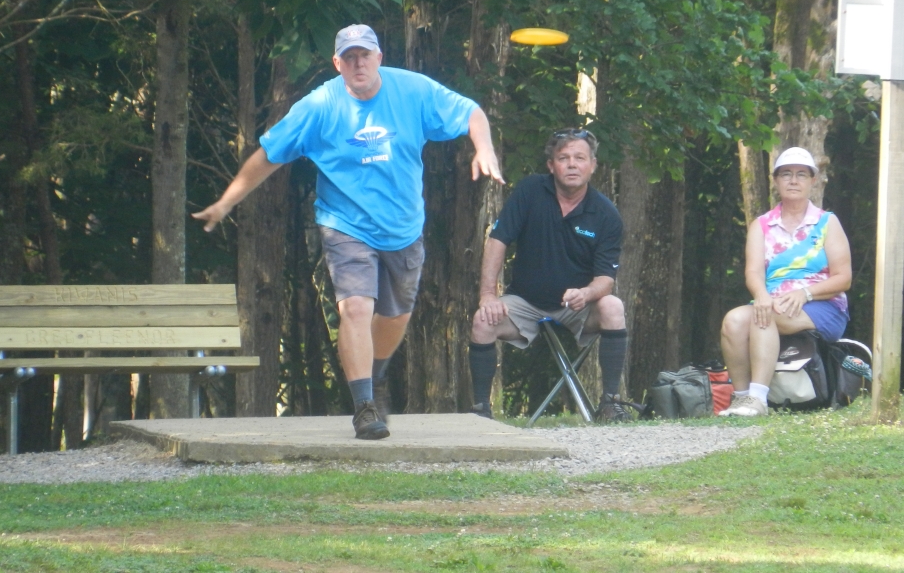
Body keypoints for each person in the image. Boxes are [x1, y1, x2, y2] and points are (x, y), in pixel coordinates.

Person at [193, 24, 504, 440]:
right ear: (337, 64)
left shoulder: (411, 91)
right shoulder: (319, 106)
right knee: (355, 308)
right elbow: (268, 154)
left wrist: (483, 148)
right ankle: (364, 405)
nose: (359, 63)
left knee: (395, 316)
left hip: (403, 226)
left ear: (379, 57)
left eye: (366, 55)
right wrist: (227, 201)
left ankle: (371, 377)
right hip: (345, 224)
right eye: (349, 57)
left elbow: (471, 112)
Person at [468, 128, 631, 422]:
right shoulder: (530, 191)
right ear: (551, 165)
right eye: (563, 158)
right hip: (525, 302)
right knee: (483, 320)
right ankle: (481, 410)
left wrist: (586, 294)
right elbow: (498, 241)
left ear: (592, 165)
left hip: (577, 308)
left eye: (580, 158)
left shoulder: (606, 214)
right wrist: (488, 295)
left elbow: (606, 280)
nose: (571, 164)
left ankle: (610, 402)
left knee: (613, 306)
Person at [719, 147, 852, 417]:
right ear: (776, 180)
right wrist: (762, 295)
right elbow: (754, 272)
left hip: (822, 304)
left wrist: (805, 294)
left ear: (812, 181)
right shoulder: (762, 225)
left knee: (765, 316)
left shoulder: (827, 223)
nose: (794, 180)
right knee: (733, 321)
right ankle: (742, 398)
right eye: (786, 174)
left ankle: (758, 398)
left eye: (801, 174)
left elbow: (843, 278)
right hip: (774, 302)